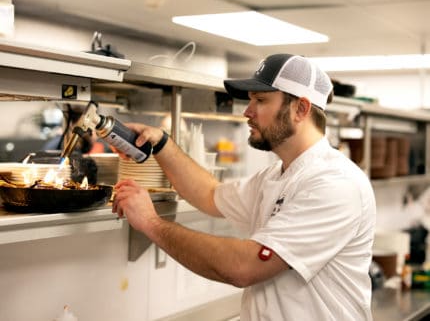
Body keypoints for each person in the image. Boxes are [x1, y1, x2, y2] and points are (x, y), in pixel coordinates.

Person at [112, 54, 376, 321]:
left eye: (260, 101)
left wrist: (151, 223)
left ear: (301, 109)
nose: (247, 112)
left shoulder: (335, 183)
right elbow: (209, 194)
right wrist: (160, 143)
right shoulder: (275, 176)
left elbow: (243, 266)